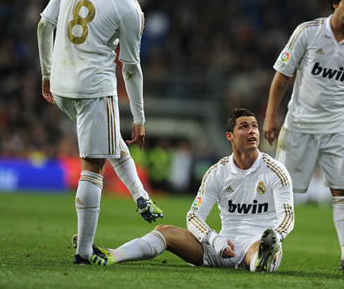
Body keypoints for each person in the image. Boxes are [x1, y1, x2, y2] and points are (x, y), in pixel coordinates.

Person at [37, 0, 167, 264]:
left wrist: (46, 73)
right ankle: (84, 252)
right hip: (94, 86)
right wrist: (139, 117)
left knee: (107, 139)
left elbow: (44, 26)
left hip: (61, 85)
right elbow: (131, 68)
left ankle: (141, 197)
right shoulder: (130, 8)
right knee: (94, 165)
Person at [73, 108, 295, 272]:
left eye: (255, 126)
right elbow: (194, 217)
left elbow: (287, 218)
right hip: (222, 246)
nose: (252, 131)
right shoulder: (217, 173)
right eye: (244, 126)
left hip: (257, 242)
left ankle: (261, 259)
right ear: (230, 136)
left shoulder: (275, 171)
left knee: (264, 248)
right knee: (165, 231)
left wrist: (274, 235)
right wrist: (214, 239)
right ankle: (114, 255)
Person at [263, 0, 344, 272]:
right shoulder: (308, 32)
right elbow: (282, 76)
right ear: (335, 3)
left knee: (343, 190)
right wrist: (270, 116)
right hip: (299, 124)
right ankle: (270, 244)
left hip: (339, 128)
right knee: (283, 189)